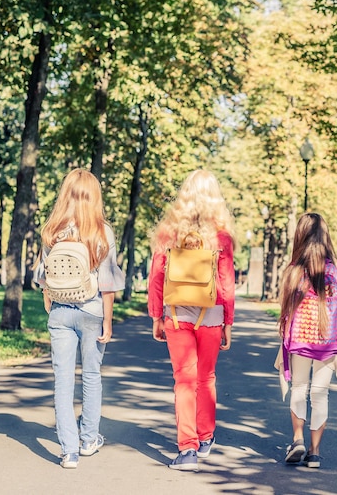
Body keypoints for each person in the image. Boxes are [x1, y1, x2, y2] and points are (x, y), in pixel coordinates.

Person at [33, 168, 125, 469]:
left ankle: (68, 451)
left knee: (62, 380)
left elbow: (43, 276)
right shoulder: (103, 232)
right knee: (91, 376)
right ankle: (88, 440)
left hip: (60, 312)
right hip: (92, 310)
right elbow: (109, 282)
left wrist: (51, 301)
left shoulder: (52, 230)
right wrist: (107, 320)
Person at [147, 169, 236, 472]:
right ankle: (205, 436)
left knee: (184, 380)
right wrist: (228, 321)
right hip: (210, 316)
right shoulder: (220, 236)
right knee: (206, 378)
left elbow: (157, 277)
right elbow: (225, 281)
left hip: (176, 315)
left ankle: (187, 450)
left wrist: (156, 315)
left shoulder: (168, 233)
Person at [278, 212, 337, 469]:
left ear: (300, 236)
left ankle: (297, 438)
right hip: (328, 342)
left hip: (300, 340)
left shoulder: (295, 270)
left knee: (299, 388)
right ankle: (314, 452)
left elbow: (285, 311)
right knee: (320, 395)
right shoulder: (335, 270)